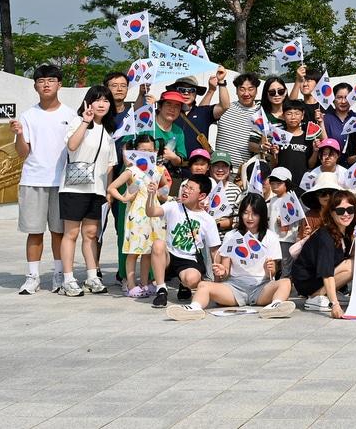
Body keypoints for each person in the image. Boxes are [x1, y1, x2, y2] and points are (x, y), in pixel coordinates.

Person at [167, 192, 294, 320]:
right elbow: (226, 271)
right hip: (234, 287)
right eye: (245, 213)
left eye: (254, 214)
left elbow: (271, 274)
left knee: (286, 282)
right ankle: (194, 308)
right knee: (203, 286)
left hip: (261, 287)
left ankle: (275, 306)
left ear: (262, 215)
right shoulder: (231, 236)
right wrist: (222, 271)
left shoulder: (270, 237)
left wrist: (271, 269)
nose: (249, 218)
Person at [12, 64, 72, 295]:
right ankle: (33, 276)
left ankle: (58, 274)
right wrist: (18, 134)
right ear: (35, 86)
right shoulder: (27, 116)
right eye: (41, 81)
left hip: (62, 182)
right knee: (34, 231)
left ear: (59, 84)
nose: (46, 84)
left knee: (59, 232)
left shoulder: (70, 115)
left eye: (51, 80)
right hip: (33, 180)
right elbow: (22, 152)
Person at [57, 84, 116, 297]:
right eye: (97, 99)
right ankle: (68, 279)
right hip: (74, 188)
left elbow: (110, 163)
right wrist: (85, 121)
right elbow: (72, 146)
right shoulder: (78, 122)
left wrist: (108, 191)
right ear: (88, 102)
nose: (102, 104)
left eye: (106, 100)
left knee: (91, 234)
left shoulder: (108, 131)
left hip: (97, 189)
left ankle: (92, 276)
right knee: (71, 233)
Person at [146, 174, 222, 309]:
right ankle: (161, 290)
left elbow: (214, 251)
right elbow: (151, 212)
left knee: (191, 279)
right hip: (169, 255)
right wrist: (151, 196)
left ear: (202, 196)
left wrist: (217, 284)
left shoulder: (207, 220)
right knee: (158, 244)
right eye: (185, 186)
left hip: (188, 259)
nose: (186, 190)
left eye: (191, 189)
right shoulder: (174, 206)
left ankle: (184, 284)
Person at [107, 134, 168, 297]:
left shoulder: (158, 170)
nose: (146, 153)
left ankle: (145, 282)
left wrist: (163, 193)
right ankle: (131, 284)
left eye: (149, 150)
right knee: (134, 250)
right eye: (142, 150)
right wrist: (123, 198)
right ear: (136, 151)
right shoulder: (131, 170)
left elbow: (165, 188)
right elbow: (112, 187)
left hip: (153, 213)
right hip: (136, 214)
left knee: (148, 249)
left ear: (155, 151)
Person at [291, 189, 356, 316]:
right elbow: (326, 271)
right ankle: (316, 296)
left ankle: (328, 292)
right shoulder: (325, 236)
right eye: (340, 210)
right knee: (351, 265)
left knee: (354, 262)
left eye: (350, 210)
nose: (346, 214)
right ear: (331, 213)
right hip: (307, 280)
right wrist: (335, 305)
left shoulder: (346, 233)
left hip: (320, 274)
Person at [213, 72, 265, 169]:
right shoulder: (225, 108)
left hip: (245, 172)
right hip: (220, 168)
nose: (246, 93)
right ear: (236, 91)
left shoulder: (261, 113)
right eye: (242, 89)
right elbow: (201, 114)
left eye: (250, 89)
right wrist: (214, 87)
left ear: (256, 90)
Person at [268, 99, 318, 182]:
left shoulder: (308, 137)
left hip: (302, 182)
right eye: (289, 113)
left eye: (297, 113)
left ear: (302, 116)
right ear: (283, 116)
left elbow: (310, 165)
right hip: (282, 183)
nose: (293, 117)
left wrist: (315, 151)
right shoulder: (278, 136)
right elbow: (273, 165)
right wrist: (274, 154)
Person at [206, 152, 241, 231]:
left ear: (229, 169)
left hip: (226, 239)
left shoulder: (236, 190)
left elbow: (239, 218)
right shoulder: (202, 186)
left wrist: (217, 224)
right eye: (216, 166)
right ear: (210, 167)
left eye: (224, 166)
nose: (220, 170)